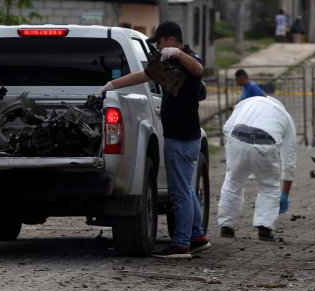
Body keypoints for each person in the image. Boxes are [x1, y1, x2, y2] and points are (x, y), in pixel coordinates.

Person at [100, 21, 210, 258]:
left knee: (179, 192)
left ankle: (181, 244)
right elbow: (144, 75)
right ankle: (197, 236)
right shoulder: (170, 61)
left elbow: (199, 70)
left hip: (182, 137)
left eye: (159, 43)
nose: (158, 48)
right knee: (186, 189)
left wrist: (179, 53)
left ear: (171, 40)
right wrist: (112, 85)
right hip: (181, 136)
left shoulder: (188, 57)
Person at [217, 96, 296, 240]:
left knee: (232, 182)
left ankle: (226, 226)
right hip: (265, 144)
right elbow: (289, 160)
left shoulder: (248, 102)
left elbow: (227, 128)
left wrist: (234, 154)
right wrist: (285, 193)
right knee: (269, 186)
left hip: (237, 138)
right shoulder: (286, 117)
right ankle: (264, 227)